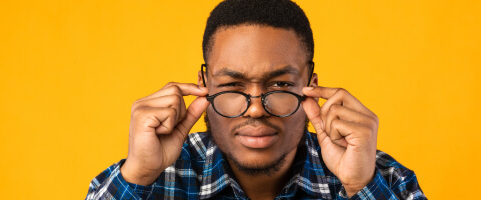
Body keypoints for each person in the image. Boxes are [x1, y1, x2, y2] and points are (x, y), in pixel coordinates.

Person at [86, 0, 426, 199]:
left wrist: (360, 186)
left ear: (311, 86)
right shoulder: (146, 179)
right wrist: (139, 175)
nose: (254, 108)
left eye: (279, 84)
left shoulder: (385, 181)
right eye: (233, 84)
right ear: (204, 85)